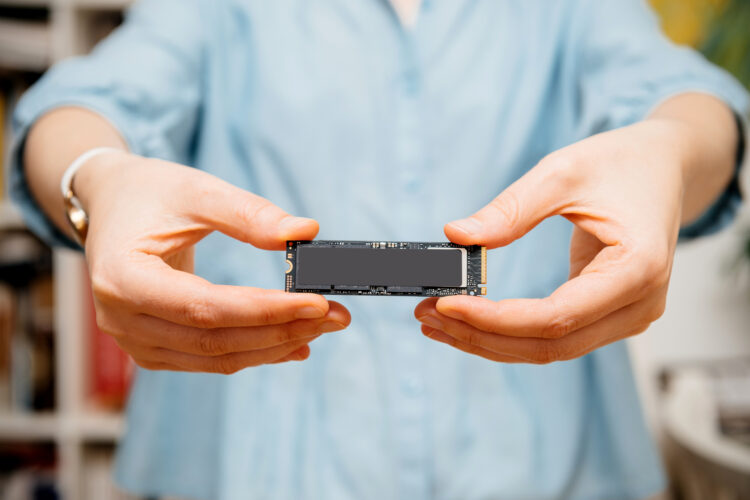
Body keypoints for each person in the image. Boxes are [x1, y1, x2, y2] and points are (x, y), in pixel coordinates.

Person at [9, 0, 748, 498]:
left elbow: (681, 92)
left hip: (549, 467)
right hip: (249, 470)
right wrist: (96, 179)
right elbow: (90, 100)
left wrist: (672, 149)